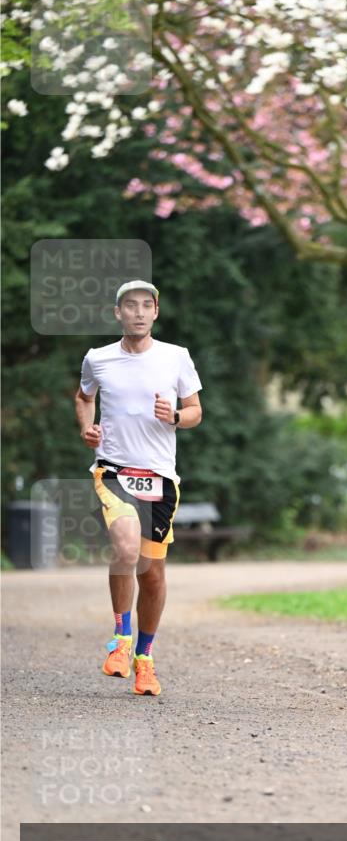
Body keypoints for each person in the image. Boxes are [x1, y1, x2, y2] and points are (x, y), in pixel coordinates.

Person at [74, 280, 203, 695]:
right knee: (125, 546)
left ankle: (144, 658)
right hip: (113, 469)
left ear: (156, 313)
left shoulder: (176, 357)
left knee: (152, 574)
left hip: (161, 478)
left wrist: (176, 417)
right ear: (118, 313)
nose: (139, 312)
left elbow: (197, 411)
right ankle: (120, 639)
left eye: (147, 305)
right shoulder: (98, 359)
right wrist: (86, 428)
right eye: (131, 306)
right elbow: (83, 396)